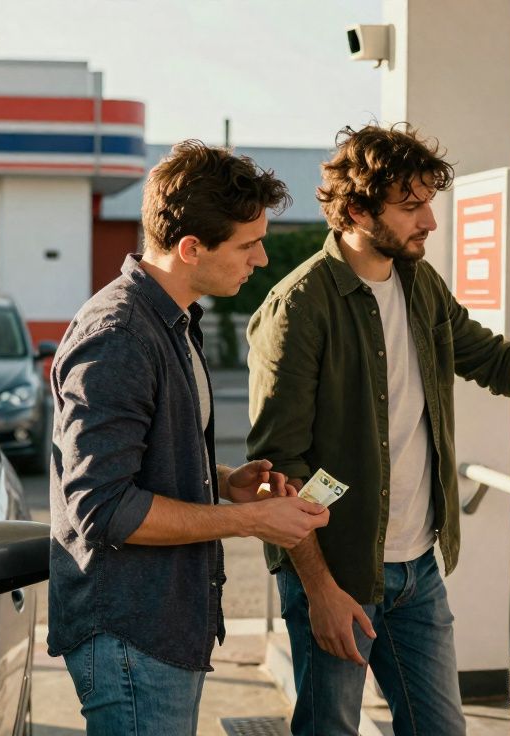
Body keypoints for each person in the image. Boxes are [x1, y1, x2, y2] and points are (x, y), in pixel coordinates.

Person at [246, 123, 510, 736]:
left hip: (417, 568)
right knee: (328, 729)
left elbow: (497, 363)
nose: (429, 222)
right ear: (357, 209)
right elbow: (280, 472)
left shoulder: (420, 286)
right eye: (410, 207)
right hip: (339, 572)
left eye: (427, 204)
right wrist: (320, 590)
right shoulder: (300, 306)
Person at [48, 140, 330, 735]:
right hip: (131, 635)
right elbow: (104, 508)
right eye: (247, 243)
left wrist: (228, 483)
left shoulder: (171, 319)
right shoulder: (120, 335)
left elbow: (142, 464)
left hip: (160, 629)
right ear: (190, 248)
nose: (260, 259)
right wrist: (253, 523)